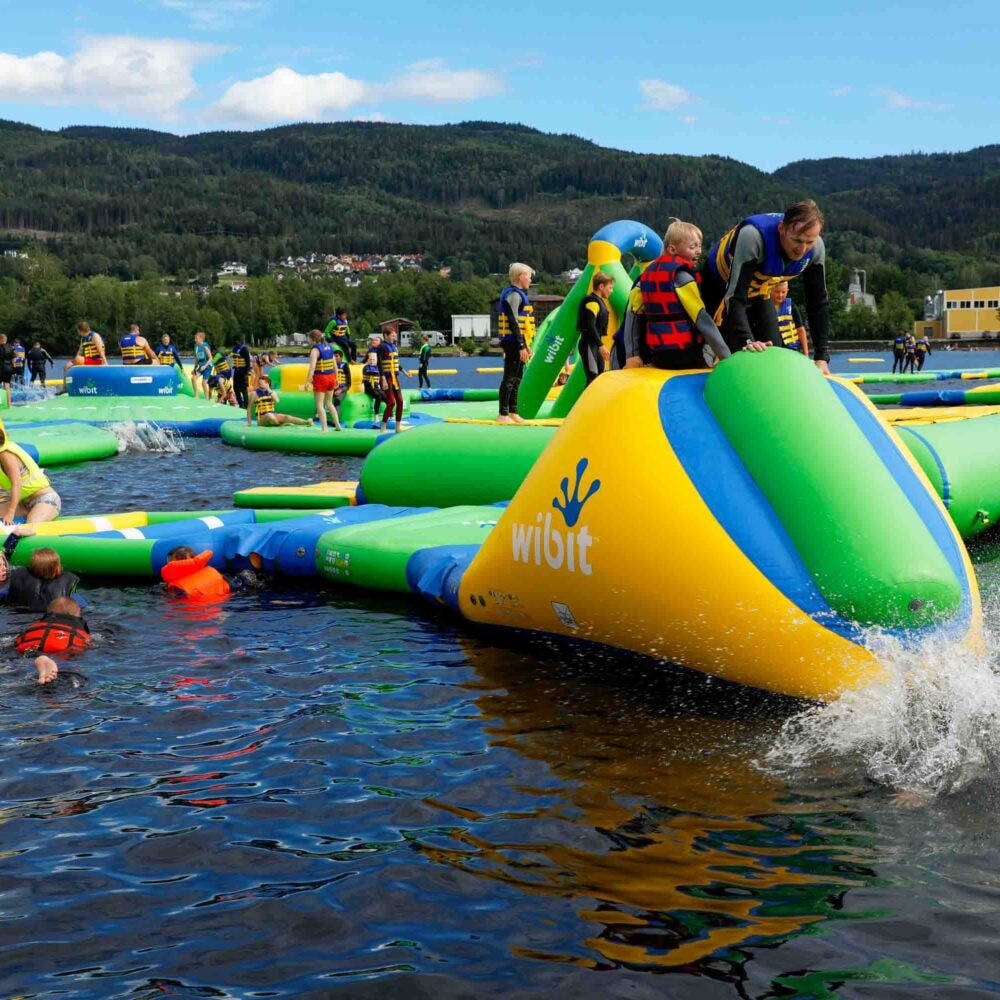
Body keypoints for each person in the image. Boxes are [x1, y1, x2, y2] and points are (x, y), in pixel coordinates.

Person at [700, 200, 831, 373]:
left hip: (761, 290)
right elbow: (734, 297)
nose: (802, 249)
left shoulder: (817, 249)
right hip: (720, 288)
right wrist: (746, 341)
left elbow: (818, 303)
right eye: (797, 240)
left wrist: (821, 357)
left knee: (774, 354)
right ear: (781, 229)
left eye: (809, 242)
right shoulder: (753, 237)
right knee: (742, 354)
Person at [615, 219, 733, 371]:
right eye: (692, 247)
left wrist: (632, 355)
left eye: (699, 246)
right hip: (689, 356)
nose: (698, 251)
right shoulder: (683, 277)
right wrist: (725, 355)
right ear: (672, 249)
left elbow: (632, 316)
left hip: (658, 357)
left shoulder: (644, 278)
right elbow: (701, 319)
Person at [497, 262, 535, 423]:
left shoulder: (518, 294)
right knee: (510, 378)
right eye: (529, 276)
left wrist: (526, 345)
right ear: (521, 277)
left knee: (518, 377)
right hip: (512, 342)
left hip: (518, 342)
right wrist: (521, 345)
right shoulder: (513, 295)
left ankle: (513, 412)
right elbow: (513, 321)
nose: (530, 280)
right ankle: (503, 414)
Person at [0, 425, 62, 525]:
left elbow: (17, 484)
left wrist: (10, 514)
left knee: (31, 525)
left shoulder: (5, 454)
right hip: (23, 505)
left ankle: (36, 515)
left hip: (45, 500)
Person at [1, 544, 79, 611]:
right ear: (56, 569)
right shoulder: (68, 582)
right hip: (50, 620)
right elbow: (81, 606)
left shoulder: (17, 576)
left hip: (16, 618)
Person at [15, 595, 91, 657]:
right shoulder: (81, 635)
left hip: (28, 651)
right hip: (63, 656)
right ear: (76, 616)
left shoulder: (32, 628)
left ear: (48, 613)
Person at [577, 271, 614, 385]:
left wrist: (598, 346)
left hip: (594, 346)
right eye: (610, 287)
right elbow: (590, 326)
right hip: (589, 344)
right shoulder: (592, 303)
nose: (611, 291)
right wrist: (601, 346)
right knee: (593, 379)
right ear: (601, 286)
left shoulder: (599, 302)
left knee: (599, 377)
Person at [305, 329, 343, 432]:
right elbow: (335, 365)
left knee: (319, 405)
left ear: (313, 339)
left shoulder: (315, 350)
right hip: (330, 377)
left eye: (309, 339)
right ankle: (338, 425)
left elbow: (312, 367)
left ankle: (324, 428)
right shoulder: (330, 347)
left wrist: (308, 381)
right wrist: (336, 378)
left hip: (321, 378)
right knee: (329, 402)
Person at [161, 546, 230, 602]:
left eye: (169, 562)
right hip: (225, 601)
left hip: (194, 610)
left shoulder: (177, 587)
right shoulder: (210, 571)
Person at [247, 373, 311, 427]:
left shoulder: (272, 392)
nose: (262, 382)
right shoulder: (254, 393)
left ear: (268, 383)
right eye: (261, 381)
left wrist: (268, 389)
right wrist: (249, 422)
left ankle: (306, 422)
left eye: (265, 381)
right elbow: (249, 408)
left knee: (286, 417)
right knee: (269, 416)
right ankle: (282, 424)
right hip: (261, 419)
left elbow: (276, 401)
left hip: (273, 415)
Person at [377, 325, 408, 433]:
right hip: (386, 378)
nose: (394, 336)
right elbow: (379, 364)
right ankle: (383, 426)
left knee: (400, 401)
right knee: (391, 402)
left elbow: (395, 363)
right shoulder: (381, 347)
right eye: (392, 334)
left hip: (395, 378)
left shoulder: (394, 347)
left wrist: (404, 372)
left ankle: (397, 427)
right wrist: (383, 379)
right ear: (386, 335)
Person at [771, 281, 808, 354]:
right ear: (770, 290)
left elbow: (800, 329)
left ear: (787, 291)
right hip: (774, 349)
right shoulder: (766, 307)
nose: (780, 295)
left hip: (792, 349)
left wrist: (806, 354)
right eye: (777, 292)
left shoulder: (792, 306)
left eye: (783, 292)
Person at [361, 335, 386, 424]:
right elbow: (364, 363)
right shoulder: (366, 367)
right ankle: (376, 415)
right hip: (369, 386)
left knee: (386, 397)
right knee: (378, 396)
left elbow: (380, 367)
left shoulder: (381, 352)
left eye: (376, 340)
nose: (373, 341)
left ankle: (389, 415)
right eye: (373, 340)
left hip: (376, 383)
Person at [230, 337, 253, 408]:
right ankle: (240, 404)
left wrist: (247, 371)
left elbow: (248, 361)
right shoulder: (234, 348)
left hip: (243, 372)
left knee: (243, 389)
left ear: (238, 341)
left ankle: (246, 406)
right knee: (236, 388)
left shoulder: (244, 349)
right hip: (237, 371)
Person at [191, 331, 213, 399]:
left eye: (196, 338)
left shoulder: (205, 346)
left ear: (201, 339)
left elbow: (210, 358)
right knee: (193, 379)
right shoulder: (196, 347)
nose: (195, 340)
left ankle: (207, 399)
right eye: (195, 338)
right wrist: (194, 368)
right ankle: (196, 396)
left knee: (203, 383)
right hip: (201, 366)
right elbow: (197, 358)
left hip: (207, 366)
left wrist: (205, 366)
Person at [0, 334, 14, 400]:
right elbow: (15, 359)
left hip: (1, 367)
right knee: (7, 386)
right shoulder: (11, 347)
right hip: (9, 368)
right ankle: (9, 404)